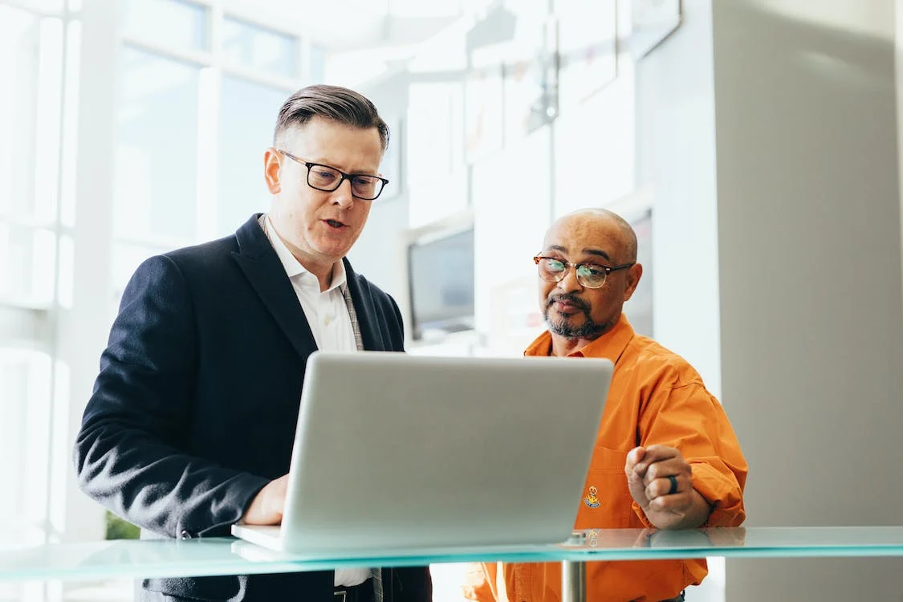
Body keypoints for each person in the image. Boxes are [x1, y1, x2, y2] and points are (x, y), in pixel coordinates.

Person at [73, 84, 432, 602]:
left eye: (362, 180)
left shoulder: (381, 308)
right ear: (273, 171)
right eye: (324, 174)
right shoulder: (181, 282)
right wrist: (251, 499)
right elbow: (106, 451)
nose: (344, 199)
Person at [462, 208, 748, 602]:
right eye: (554, 264)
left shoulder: (664, 379)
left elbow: (706, 491)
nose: (566, 284)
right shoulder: (512, 382)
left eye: (592, 270)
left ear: (630, 282)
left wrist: (674, 503)